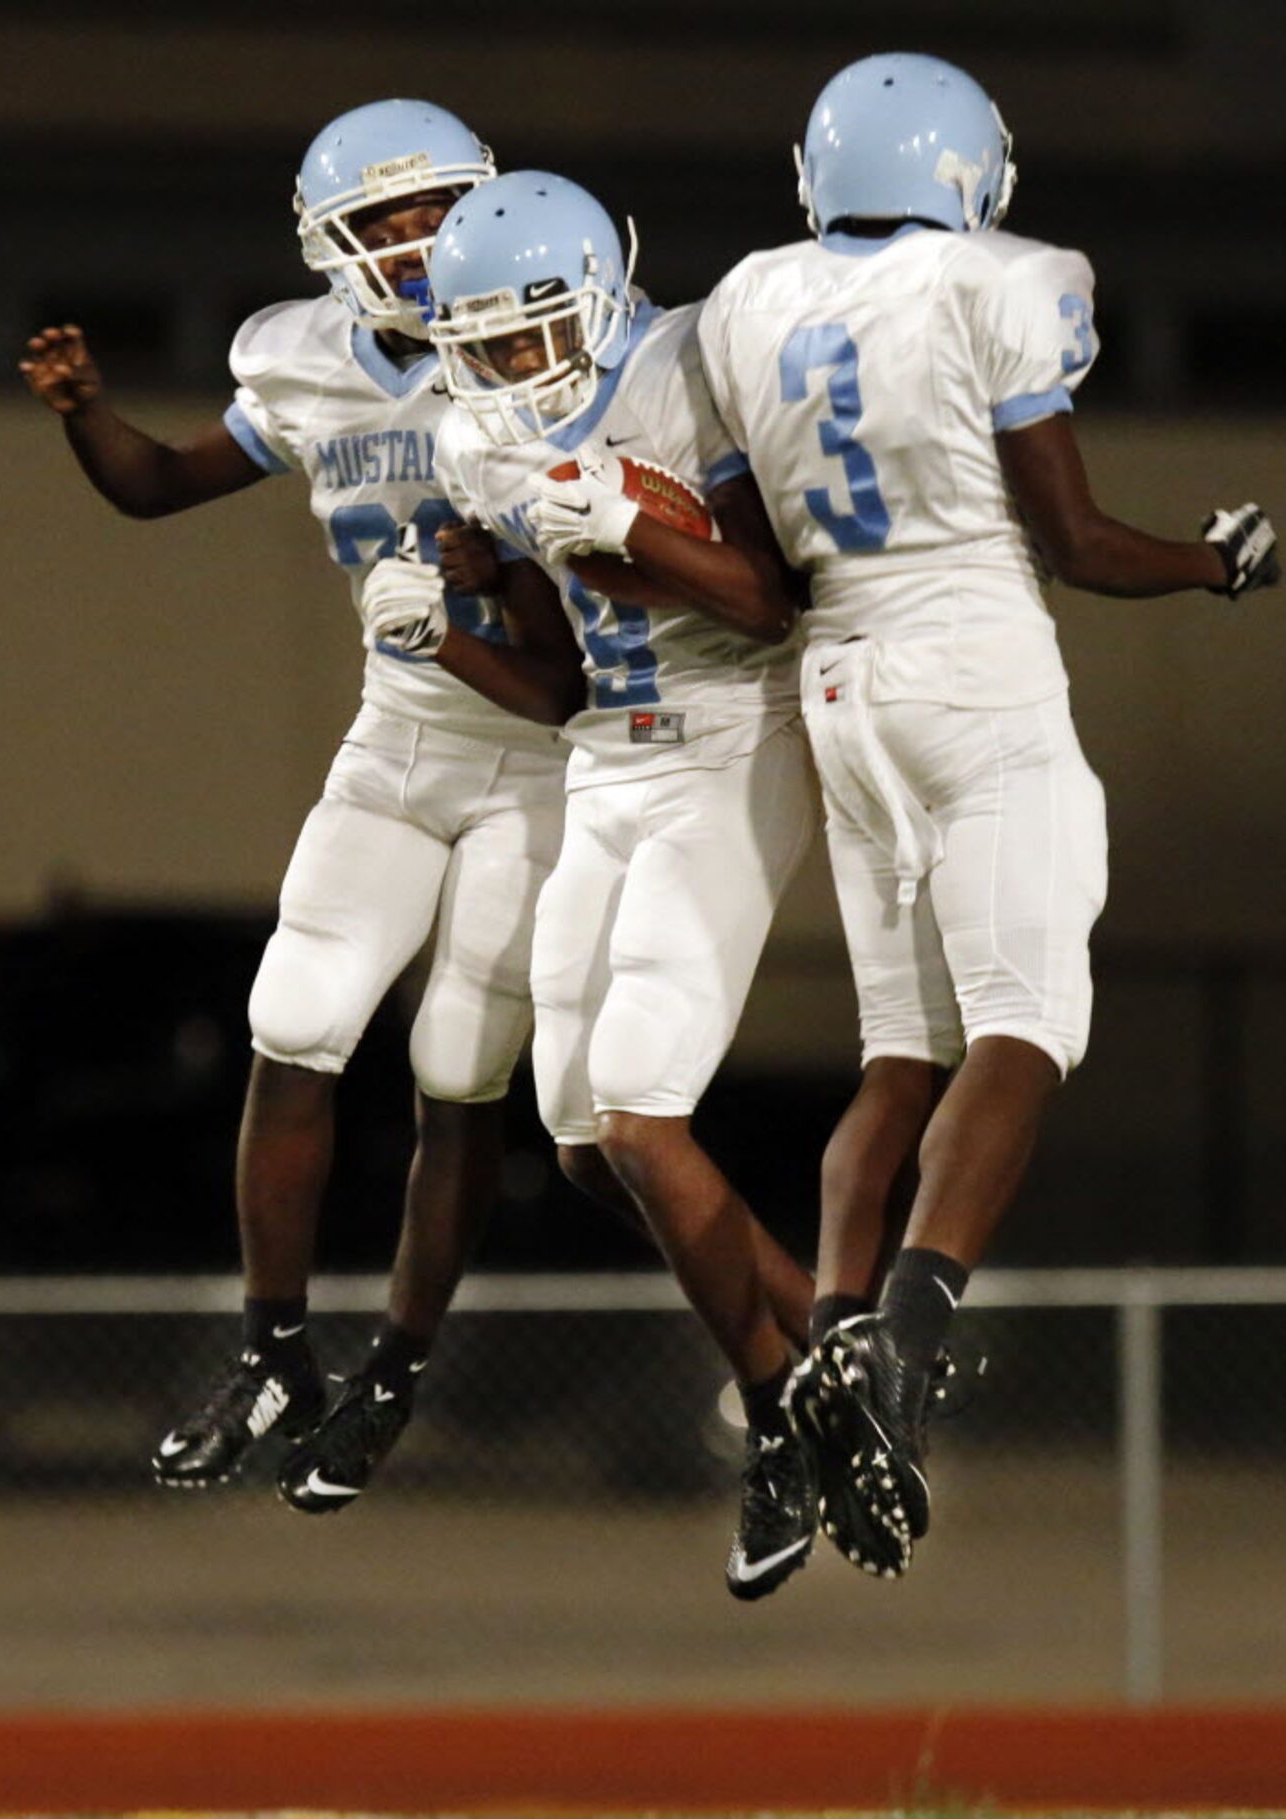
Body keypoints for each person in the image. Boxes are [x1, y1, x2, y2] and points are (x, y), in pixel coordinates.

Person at [609, 51, 1279, 1579]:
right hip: (969, 657)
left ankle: (831, 1341)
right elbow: (1077, 542)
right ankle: (903, 1343)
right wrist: (1216, 561)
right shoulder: (1006, 280)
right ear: (970, 172)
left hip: (837, 677)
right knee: (1023, 1025)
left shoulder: (739, 305)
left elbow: (731, 522)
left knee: (896, 1054)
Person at [21, 100, 576, 1513]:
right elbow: (159, 487)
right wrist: (90, 414)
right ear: (330, 247)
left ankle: (396, 1365)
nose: (409, 242)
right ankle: (275, 1352)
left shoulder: (531, 345)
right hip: (399, 735)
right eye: (378, 223)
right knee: (296, 1019)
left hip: (542, 751)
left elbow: (577, 643)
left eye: (428, 212)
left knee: (457, 1057)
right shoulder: (305, 363)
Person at [362, 170, 820, 1599]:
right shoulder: (475, 436)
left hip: (734, 737)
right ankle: (834, 1349)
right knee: (570, 1136)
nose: (504, 368)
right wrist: (455, 632)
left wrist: (628, 531)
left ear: (599, 288)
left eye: (525, 335)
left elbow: (764, 601)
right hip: (609, 760)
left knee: (635, 1110)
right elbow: (561, 682)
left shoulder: (680, 371)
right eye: (481, 345)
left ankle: (780, 1425)